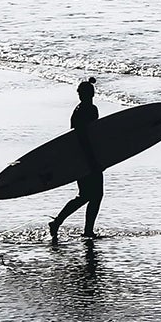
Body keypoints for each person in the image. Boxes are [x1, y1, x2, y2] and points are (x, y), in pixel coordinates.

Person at [50, 78, 103, 243]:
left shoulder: (80, 110)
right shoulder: (88, 110)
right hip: (86, 158)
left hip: (80, 157)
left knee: (88, 195)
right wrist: (94, 160)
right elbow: (85, 138)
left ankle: (63, 223)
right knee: (92, 195)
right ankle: (68, 225)